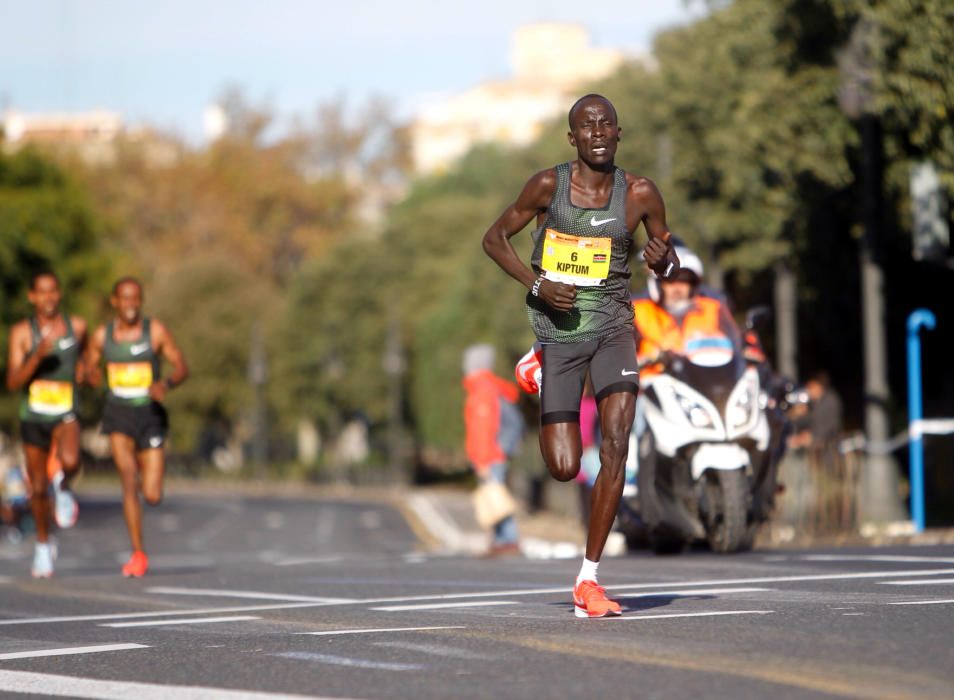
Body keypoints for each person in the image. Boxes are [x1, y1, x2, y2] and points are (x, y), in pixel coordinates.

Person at [483, 94, 678, 618]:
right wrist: (537, 284)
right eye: (586, 126)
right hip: (559, 329)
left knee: (616, 444)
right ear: (572, 138)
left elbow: (666, 254)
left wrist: (662, 259)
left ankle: (588, 579)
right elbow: (495, 238)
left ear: (619, 133)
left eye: (606, 124)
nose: (597, 133)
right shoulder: (548, 186)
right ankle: (537, 365)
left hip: (614, 326)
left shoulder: (639, 192)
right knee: (566, 467)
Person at [83, 277, 189, 577]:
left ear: (140, 301)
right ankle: (138, 554)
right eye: (124, 299)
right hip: (118, 414)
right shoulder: (103, 336)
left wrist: (165, 383)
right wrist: (89, 375)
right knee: (128, 480)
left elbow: (182, 366)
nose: (130, 304)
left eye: (135, 299)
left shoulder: (154, 331)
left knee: (152, 495)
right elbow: (88, 367)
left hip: (149, 414)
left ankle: (147, 470)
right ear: (114, 301)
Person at [5, 271, 86, 578]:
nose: (48, 297)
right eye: (42, 292)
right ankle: (42, 545)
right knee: (37, 487)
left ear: (59, 294)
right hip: (34, 415)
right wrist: (36, 358)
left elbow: (88, 354)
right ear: (32, 297)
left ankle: (64, 486)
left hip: (66, 410)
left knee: (71, 459)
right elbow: (13, 382)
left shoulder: (76, 326)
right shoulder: (22, 333)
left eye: (53, 291)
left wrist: (86, 368)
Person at [463, 344, 522, 556]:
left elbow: (483, 430)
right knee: (494, 498)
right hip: (492, 455)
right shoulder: (489, 388)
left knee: (496, 499)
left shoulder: (483, 390)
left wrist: (482, 460)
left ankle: (508, 540)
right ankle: (500, 541)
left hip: (490, 456)